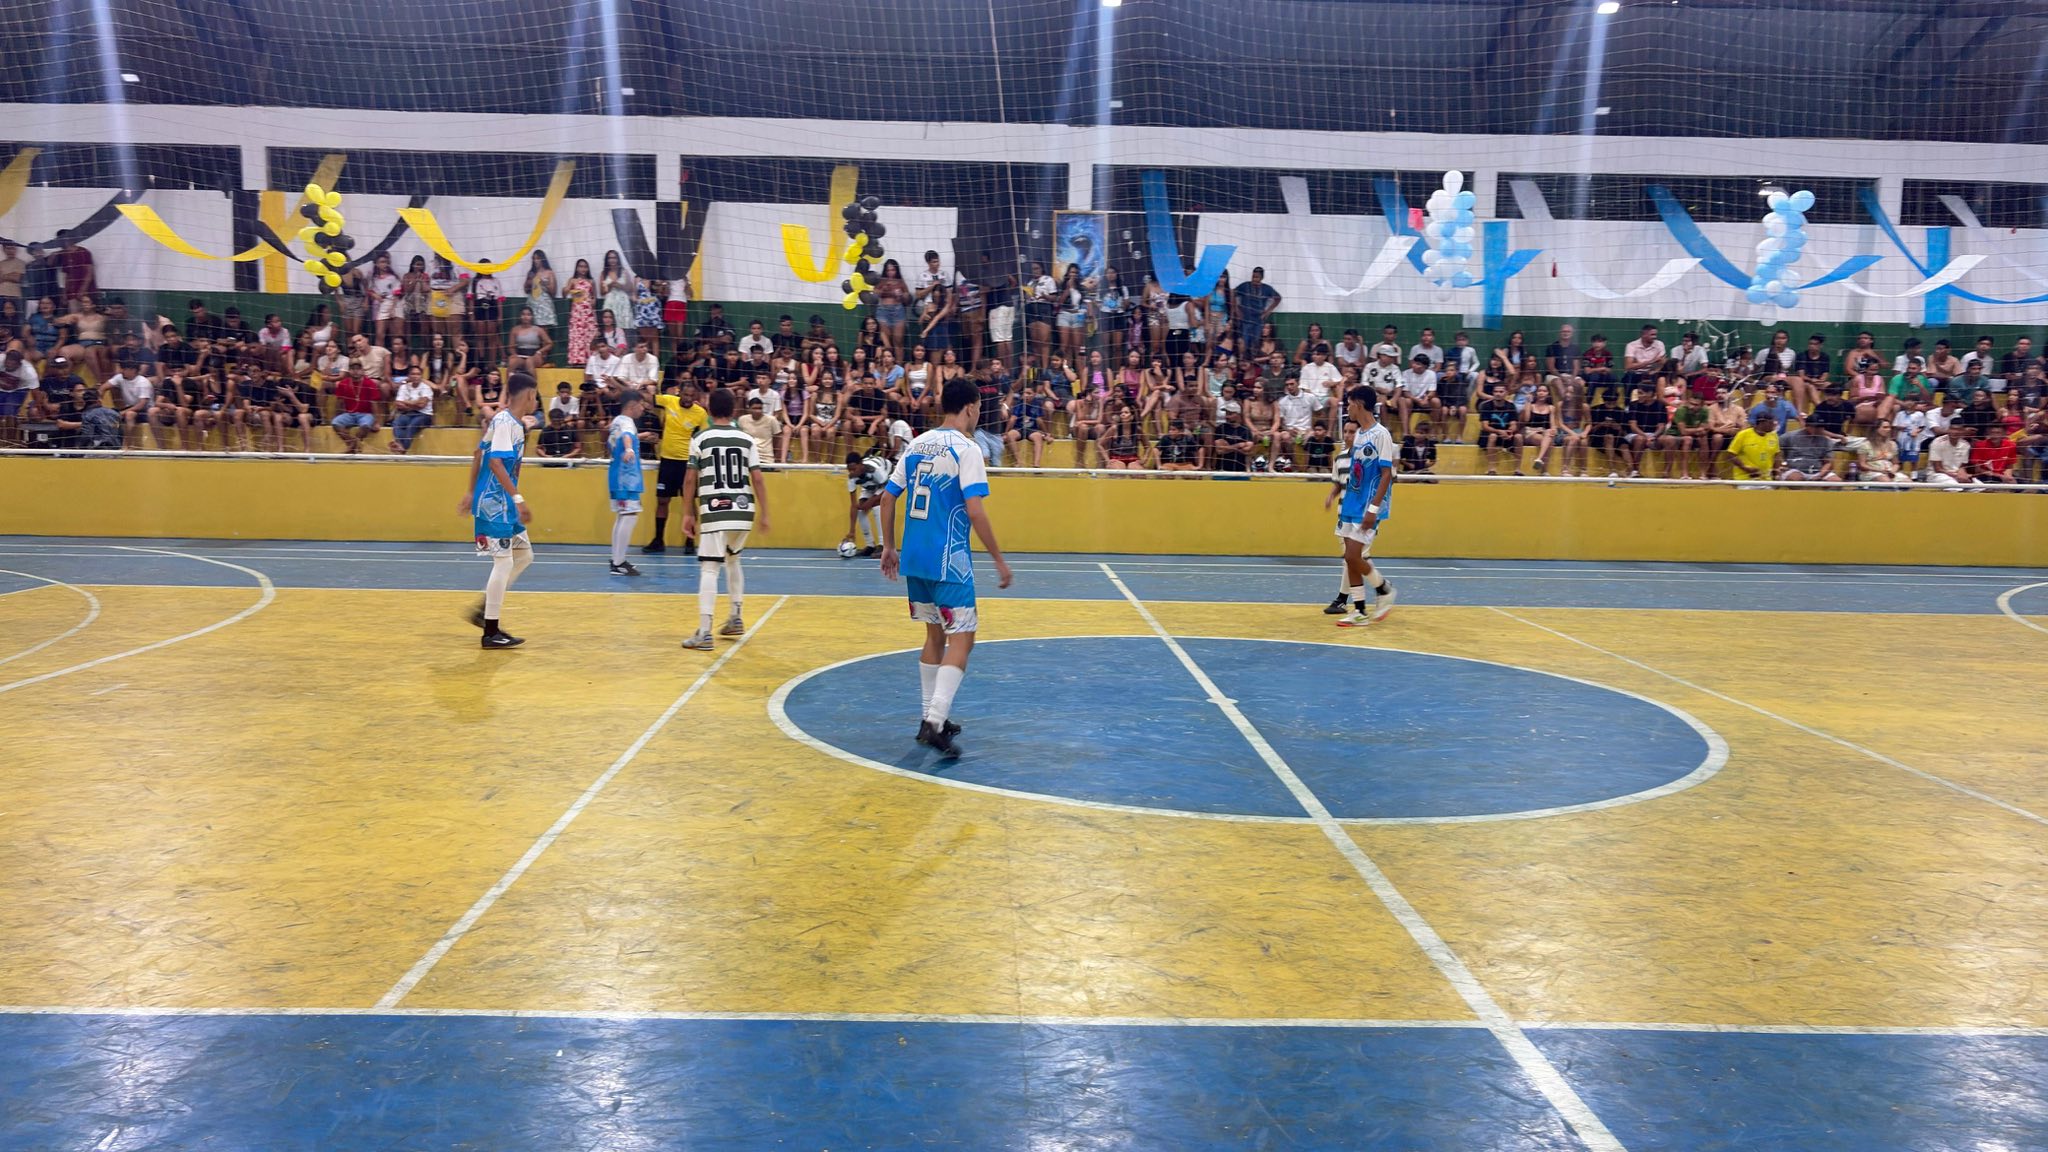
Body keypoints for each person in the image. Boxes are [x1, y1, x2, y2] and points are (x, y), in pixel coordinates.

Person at [880, 378, 1015, 756]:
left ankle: (930, 715)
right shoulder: (967, 449)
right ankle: (935, 722)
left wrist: (889, 546)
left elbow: (887, 499)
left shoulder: (917, 443)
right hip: (948, 560)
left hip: (914, 557)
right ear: (970, 407)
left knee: (934, 636)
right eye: (979, 408)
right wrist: (999, 559)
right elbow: (975, 510)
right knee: (963, 639)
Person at [679, 388, 771, 650]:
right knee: (733, 560)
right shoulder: (746, 439)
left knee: (710, 567)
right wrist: (765, 513)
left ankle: (704, 632)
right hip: (743, 510)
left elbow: (690, 479)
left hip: (715, 509)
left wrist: (688, 512)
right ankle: (735, 617)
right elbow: (758, 478)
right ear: (734, 410)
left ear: (709, 410)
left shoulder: (700, 438)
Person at [461, 376, 539, 649]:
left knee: (524, 555)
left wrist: (470, 492)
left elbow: (477, 454)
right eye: (535, 395)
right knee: (504, 562)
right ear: (529, 395)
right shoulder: (505, 423)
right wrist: (518, 499)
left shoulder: (508, 422)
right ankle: (490, 631)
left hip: (502, 504)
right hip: (495, 505)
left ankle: (484, 609)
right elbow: (494, 463)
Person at [1323, 385, 1397, 627]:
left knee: (1354, 555)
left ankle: (1384, 588)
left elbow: (1386, 474)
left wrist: (1373, 509)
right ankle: (1360, 611)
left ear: (1360, 404)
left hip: (1368, 506)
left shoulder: (1381, 434)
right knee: (1349, 558)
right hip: (1352, 503)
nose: (1348, 407)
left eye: (1350, 403)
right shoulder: (1360, 435)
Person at [645, 379, 710, 554]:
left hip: (687, 464)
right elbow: (648, 398)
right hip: (667, 461)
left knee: (689, 501)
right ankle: (658, 540)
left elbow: (704, 437)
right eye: (685, 395)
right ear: (678, 392)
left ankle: (690, 541)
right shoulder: (669, 401)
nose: (688, 399)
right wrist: (626, 387)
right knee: (662, 500)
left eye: (691, 396)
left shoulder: (700, 413)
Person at [1724, 413, 1781, 482]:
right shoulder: (1743, 435)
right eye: (1771, 423)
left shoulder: (1773, 436)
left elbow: (1777, 455)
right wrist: (1745, 468)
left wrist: (1776, 474)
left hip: (1766, 479)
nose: (1774, 426)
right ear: (1762, 423)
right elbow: (1731, 454)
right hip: (1745, 479)